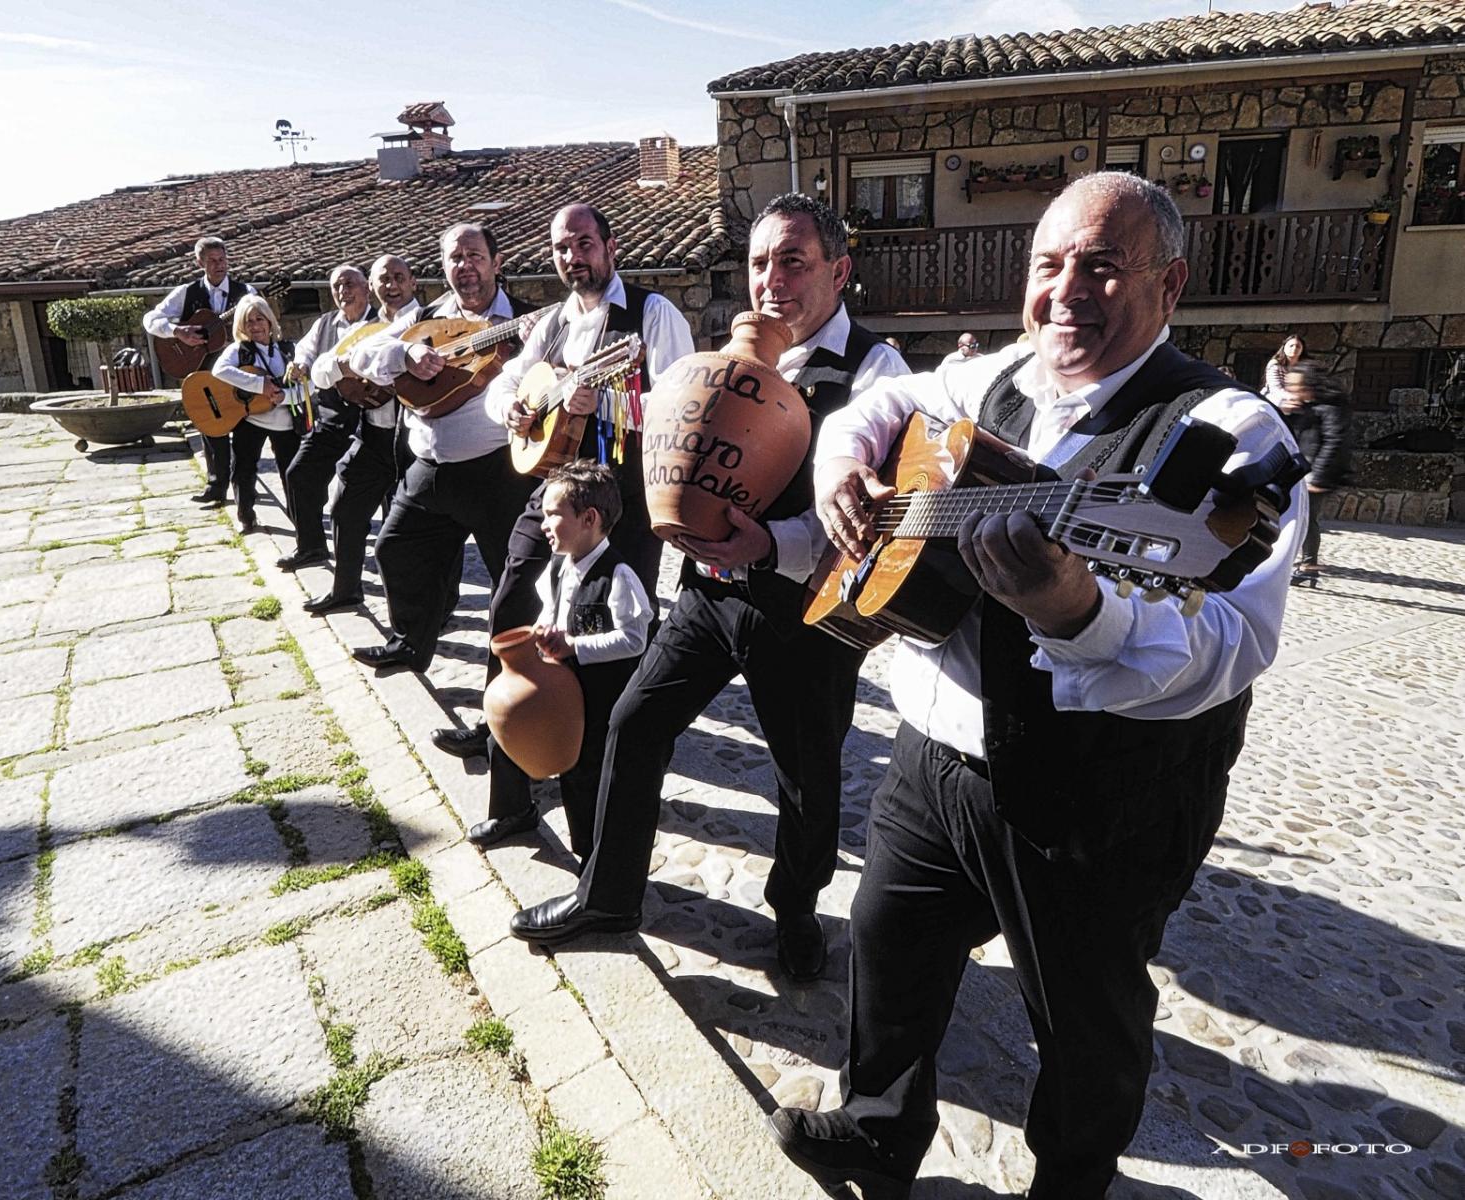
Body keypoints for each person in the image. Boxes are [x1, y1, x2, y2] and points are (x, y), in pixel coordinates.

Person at [770, 172, 1307, 1199]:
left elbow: (1237, 640)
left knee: (1083, 1014)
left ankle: (1070, 1182)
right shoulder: (995, 378)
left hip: (1102, 789)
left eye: (1101, 268)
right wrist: (844, 464)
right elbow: (884, 403)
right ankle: (879, 1131)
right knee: (887, 941)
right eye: (1049, 265)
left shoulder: (1230, 437)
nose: (1066, 292)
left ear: (1169, 285)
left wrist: (1082, 612)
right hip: (935, 759)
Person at [507, 193, 908, 983]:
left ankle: (796, 911)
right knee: (633, 721)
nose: (771, 280)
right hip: (708, 591)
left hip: (803, 608)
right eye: (759, 263)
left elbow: (877, 509)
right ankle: (608, 896)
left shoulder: (875, 371)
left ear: (838, 272)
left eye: (793, 262)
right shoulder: (726, 356)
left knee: (806, 775)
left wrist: (775, 543)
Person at [431, 202, 694, 778]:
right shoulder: (552, 322)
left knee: (603, 626)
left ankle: (604, 754)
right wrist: (513, 407)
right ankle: (505, 736)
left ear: (610, 246)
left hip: (620, 500)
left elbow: (683, 406)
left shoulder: (652, 314)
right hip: (553, 489)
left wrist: (607, 402)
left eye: (584, 244)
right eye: (561, 248)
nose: (573, 257)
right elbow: (506, 382)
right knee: (511, 601)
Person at [346, 223, 536, 671]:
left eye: (475, 256)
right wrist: (406, 355)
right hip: (429, 468)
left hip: (498, 473)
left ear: (496, 263)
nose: (465, 266)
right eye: (455, 258)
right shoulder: (426, 318)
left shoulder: (527, 319)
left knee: (512, 580)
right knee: (394, 549)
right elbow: (360, 356)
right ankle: (410, 644)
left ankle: (510, 686)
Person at [512, 460, 654, 859]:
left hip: (604, 697)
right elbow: (551, 607)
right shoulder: (559, 566)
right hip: (568, 695)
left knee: (598, 772)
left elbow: (634, 639)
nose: (543, 525)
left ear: (589, 519)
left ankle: (602, 852)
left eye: (553, 515)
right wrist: (545, 629)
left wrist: (575, 646)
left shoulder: (619, 575)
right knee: (573, 771)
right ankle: (584, 849)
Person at [304, 254, 419, 615]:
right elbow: (321, 371)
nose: (392, 285)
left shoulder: (427, 320)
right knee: (344, 508)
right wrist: (344, 366)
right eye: (384, 279)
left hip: (415, 444)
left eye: (399, 277)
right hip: (372, 437)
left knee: (417, 529)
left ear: (413, 282)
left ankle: (435, 606)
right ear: (372, 287)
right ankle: (346, 590)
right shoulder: (364, 330)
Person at [142, 236, 255, 505]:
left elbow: (260, 323)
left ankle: (245, 489)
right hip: (202, 371)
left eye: (222, 259)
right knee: (210, 426)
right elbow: (151, 319)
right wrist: (176, 331)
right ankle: (216, 487)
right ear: (199, 263)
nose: (219, 265)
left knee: (244, 428)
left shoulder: (246, 292)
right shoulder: (186, 292)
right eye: (212, 261)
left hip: (237, 369)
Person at [279, 265, 378, 572]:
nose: (343, 291)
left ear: (366, 288)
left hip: (369, 420)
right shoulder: (324, 324)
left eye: (350, 284)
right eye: (337, 286)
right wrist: (299, 364)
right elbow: (305, 351)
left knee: (365, 496)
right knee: (299, 474)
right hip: (331, 418)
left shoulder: (382, 323)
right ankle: (311, 546)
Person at [210, 294, 301, 536]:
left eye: (259, 319)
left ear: (270, 321)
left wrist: (285, 397)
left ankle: (300, 520)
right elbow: (219, 370)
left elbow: (308, 387)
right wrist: (260, 385)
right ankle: (246, 517)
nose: (255, 325)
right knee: (243, 469)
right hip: (251, 418)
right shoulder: (239, 351)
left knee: (292, 474)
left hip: (284, 422)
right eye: (248, 321)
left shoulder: (289, 350)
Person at [1281, 359, 1352, 587]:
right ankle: (1305, 566)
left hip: (1316, 475)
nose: (1292, 390)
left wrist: (1319, 477)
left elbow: (1334, 442)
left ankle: (1308, 567)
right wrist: (1287, 413)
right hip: (1301, 470)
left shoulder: (1331, 407)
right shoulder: (1306, 406)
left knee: (1306, 520)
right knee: (1301, 519)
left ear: (1309, 385)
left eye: (1296, 386)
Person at [1263, 332, 1305, 405]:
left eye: (1298, 346)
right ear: (1284, 347)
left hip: (1299, 399)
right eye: (1291, 346)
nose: (1294, 348)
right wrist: (1293, 398)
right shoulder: (1275, 364)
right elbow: (1275, 389)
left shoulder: (1305, 367)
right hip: (1275, 398)